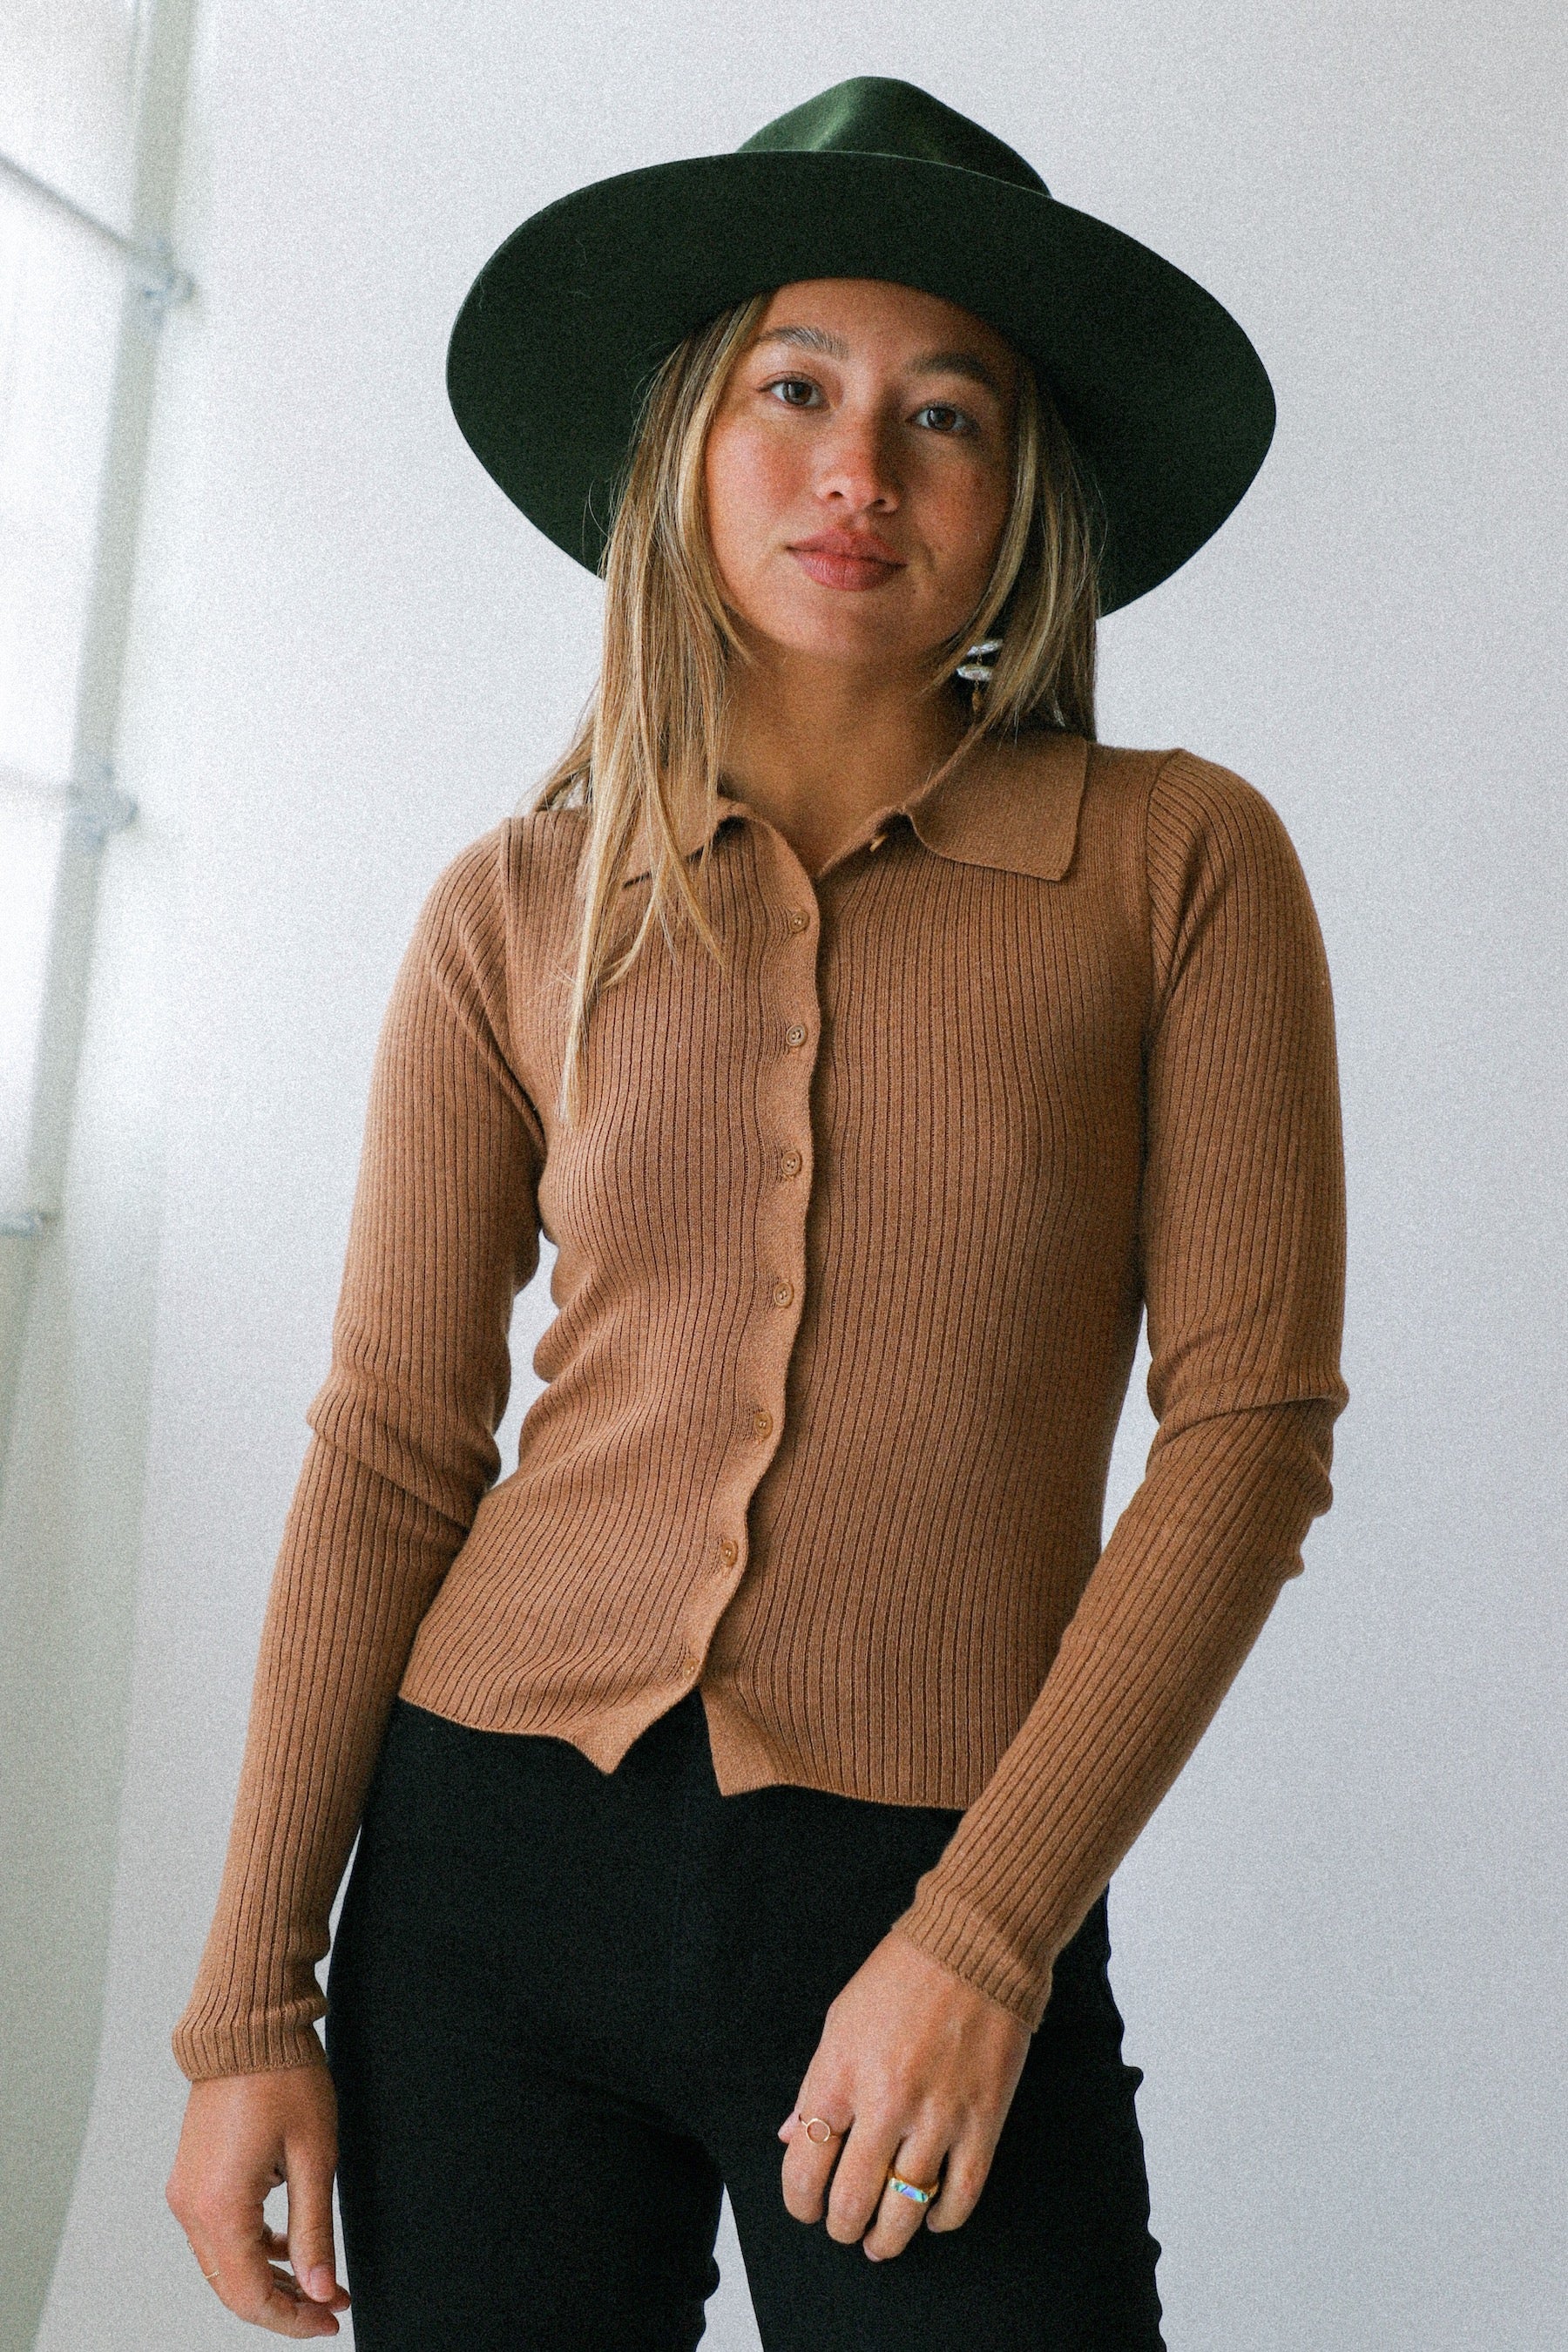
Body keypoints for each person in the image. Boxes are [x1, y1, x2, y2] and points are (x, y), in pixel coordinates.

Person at [165, 75, 1349, 2351]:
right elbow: (394, 1444)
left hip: (925, 1877)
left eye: (945, 415)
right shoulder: (517, 905)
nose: (859, 469)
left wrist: (984, 1934)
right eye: (794, 390)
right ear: (685, 446)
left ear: (1024, 495)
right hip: (484, 1877)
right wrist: (250, 2003)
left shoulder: (1175, 864)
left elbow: (1247, 1431)